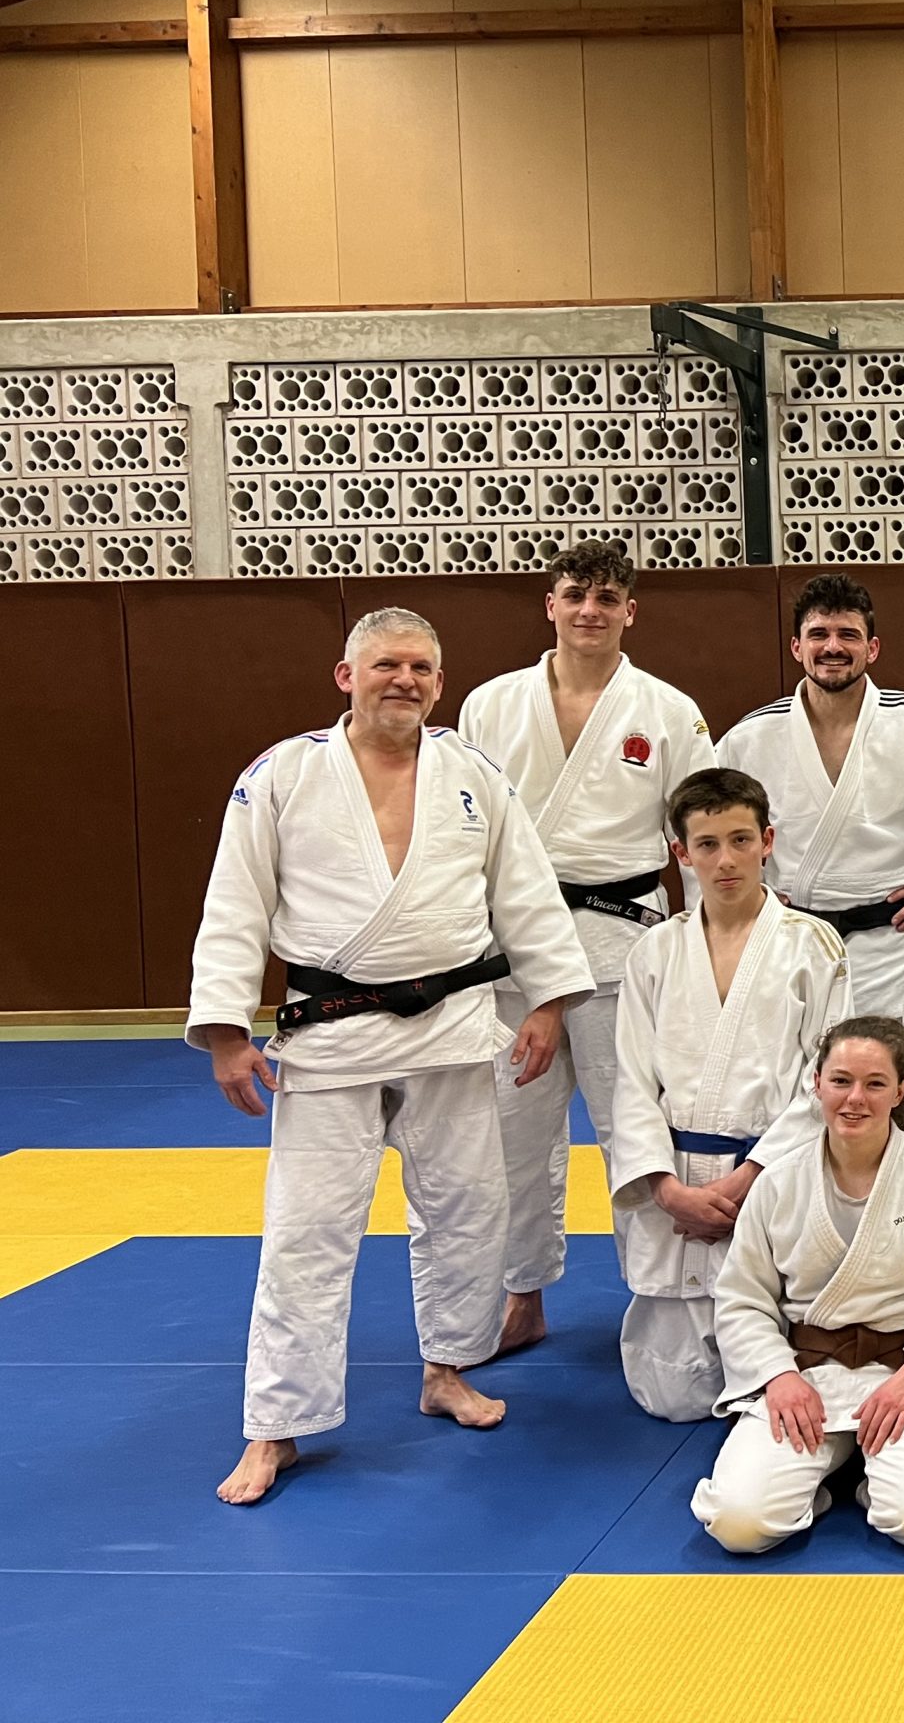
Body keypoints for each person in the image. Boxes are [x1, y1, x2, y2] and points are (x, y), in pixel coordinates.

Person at [189, 607, 592, 1505]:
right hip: (330, 1031)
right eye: (384, 666)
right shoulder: (282, 775)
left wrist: (551, 1001)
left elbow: (523, 892)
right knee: (306, 1228)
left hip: (453, 1022)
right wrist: (223, 1031)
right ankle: (275, 1427)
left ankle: (446, 1369)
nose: (403, 680)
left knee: (467, 1211)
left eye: (419, 668)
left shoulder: (473, 774)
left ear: (440, 684)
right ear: (346, 676)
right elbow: (235, 903)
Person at [457, 538, 715, 1357]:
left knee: (633, 1130)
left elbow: (702, 841)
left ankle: (659, 1298)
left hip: (621, 947)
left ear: (630, 611)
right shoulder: (490, 705)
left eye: (608, 598)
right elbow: (461, 836)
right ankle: (522, 1292)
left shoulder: (669, 712)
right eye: (576, 594)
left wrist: (705, 951)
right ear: (551, 604)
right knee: (512, 1135)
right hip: (514, 951)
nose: (590, 610)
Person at [690, 1016, 904, 1555]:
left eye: (875, 1084)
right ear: (817, 1084)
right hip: (809, 1376)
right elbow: (743, 1299)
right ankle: (825, 1475)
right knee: (739, 1524)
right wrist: (778, 1376)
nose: (855, 1098)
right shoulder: (779, 1181)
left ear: (900, 1092)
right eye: (841, 1081)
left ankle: (873, 1474)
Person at [608, 769, 847, 1420]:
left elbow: (822, 1085)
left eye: (741, 839)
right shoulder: (653, 951)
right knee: (671, 1396)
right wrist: (666, 1190)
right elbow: (630, 1081)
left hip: (768, 1178)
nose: (726, 860)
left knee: (777, 1376)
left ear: (767, 840)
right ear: (680, 853)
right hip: (676, 1187)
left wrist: (749, 1180)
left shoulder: (811, 945)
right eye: (707, 844)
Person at [715, 575, 904, 1016]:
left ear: (872, 648)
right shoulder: (751, 736)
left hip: (890, 945)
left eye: (848, 635)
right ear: (796, 647)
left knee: (889, 1074)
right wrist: (747, 891)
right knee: (792, 1075)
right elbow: (703, 824)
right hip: (788, 938)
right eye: (819, 635)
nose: (833, 647)